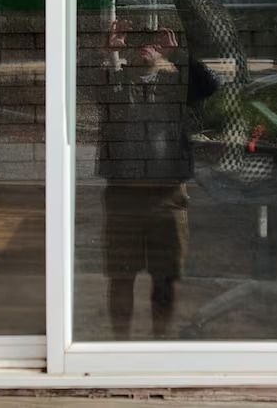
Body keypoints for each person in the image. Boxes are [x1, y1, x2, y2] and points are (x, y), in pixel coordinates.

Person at [97, 23, 191, 339]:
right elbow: (88, 85)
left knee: (166, 278)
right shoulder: (119, 83)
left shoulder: (174, 82)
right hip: (123, 195)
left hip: (168, 196)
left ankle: (159, 347)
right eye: (138, 42)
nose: (146, 47)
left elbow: (208, 85)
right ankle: (118, 347)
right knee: (120, 277)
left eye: (153, 42)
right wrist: (112, 53)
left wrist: (173, 56)